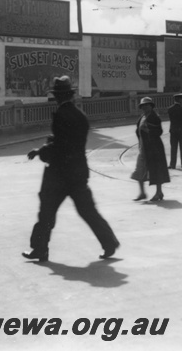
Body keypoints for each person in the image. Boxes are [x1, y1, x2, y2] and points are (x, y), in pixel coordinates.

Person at [23, 76, 119, 262]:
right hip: (77, 173)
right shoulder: (80, 115)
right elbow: (69, 142)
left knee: (47, 212)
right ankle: (109, 242)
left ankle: (40, 249)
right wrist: (49, 145)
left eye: (56, 95)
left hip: (59, 175)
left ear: (59, 96)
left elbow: (60, 145)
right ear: (71, 95)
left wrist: (41, 151)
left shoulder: (60, 115)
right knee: (88, 211)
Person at [131, 97, 170, 201]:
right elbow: (138, 131)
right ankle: (142, 193)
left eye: (147, 105)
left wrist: (148, 130)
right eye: (143, 106)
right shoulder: (142, 117)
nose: (145, 107)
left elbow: (159, 131)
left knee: (156, 170)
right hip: (143, 147)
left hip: (154, 148)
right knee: (139, 170)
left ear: (151, 106)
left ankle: (159, 192)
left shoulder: (154, 117)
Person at [167, 93, 182, 169]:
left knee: (173, 148)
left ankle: (172, 165)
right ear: (180, 100)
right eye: (181, 99)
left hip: (173, 130)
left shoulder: (170, 109)